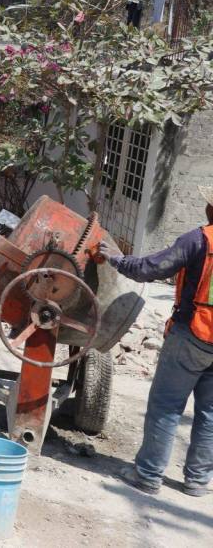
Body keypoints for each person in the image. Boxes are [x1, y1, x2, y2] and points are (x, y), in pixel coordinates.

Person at [98, 185, 213, 498]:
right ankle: (197, 481)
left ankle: (148, 474)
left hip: (192, 335)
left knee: (166, 405)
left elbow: (153, 268)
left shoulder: (199, 239)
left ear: (210, 209)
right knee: (210, 414)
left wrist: (118, 260)